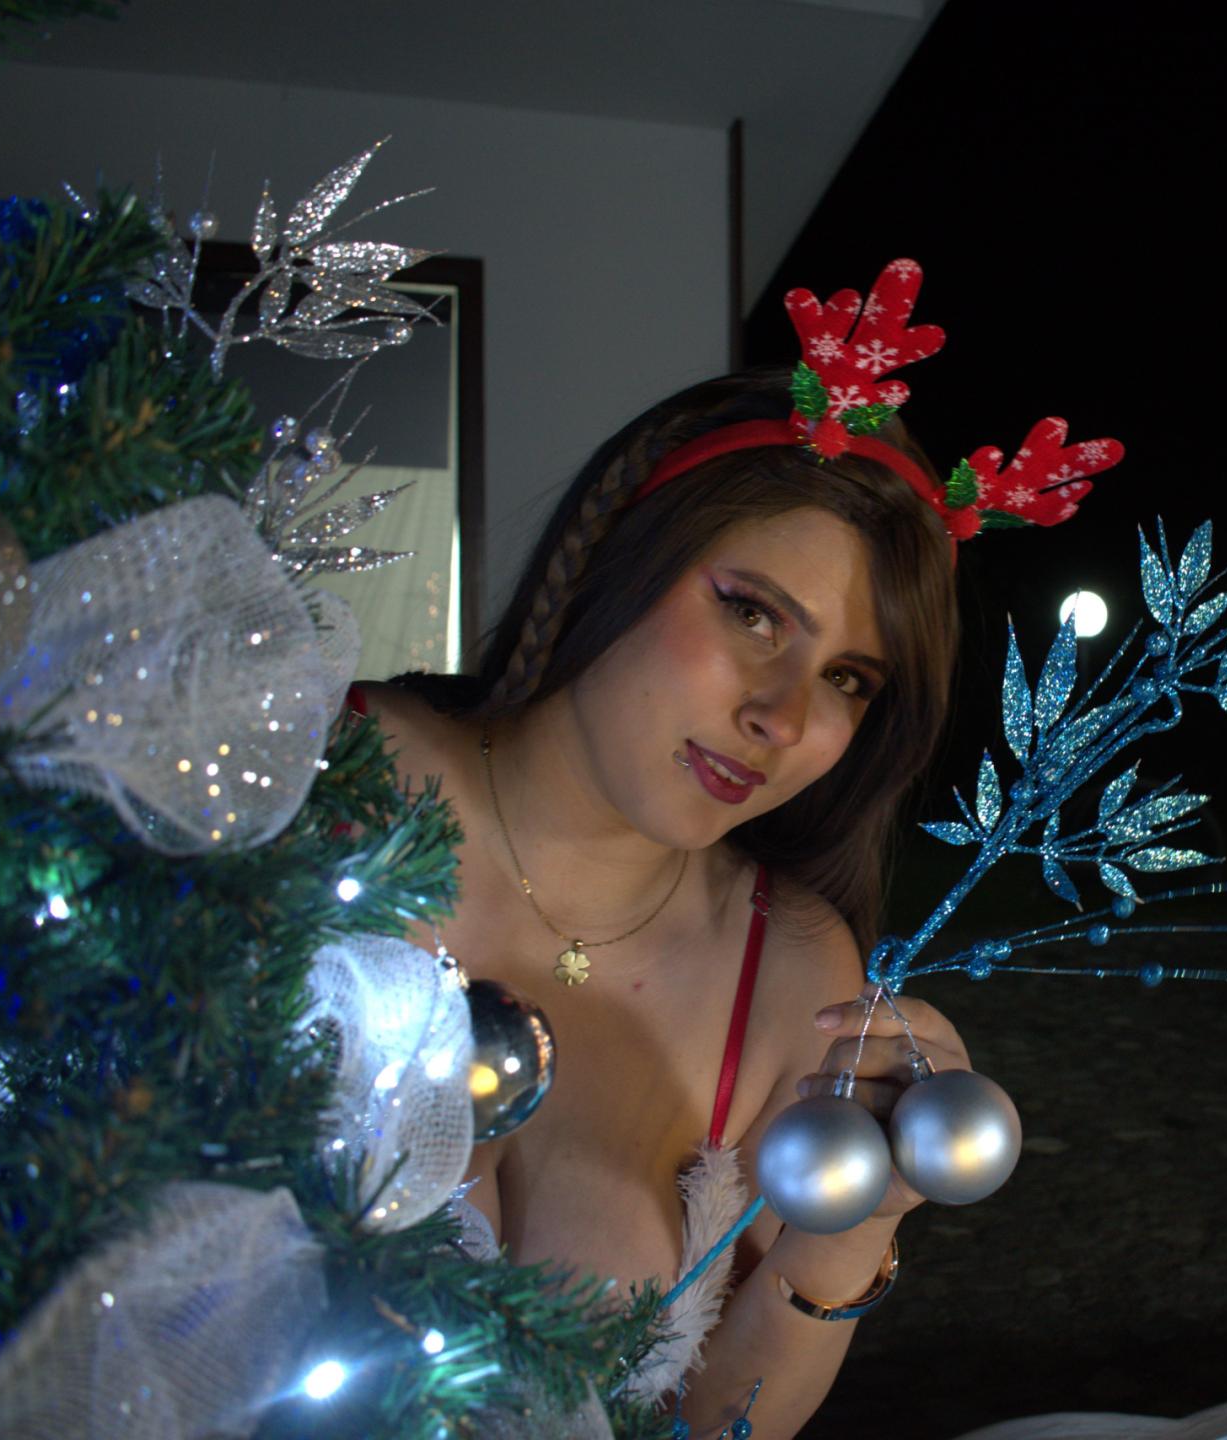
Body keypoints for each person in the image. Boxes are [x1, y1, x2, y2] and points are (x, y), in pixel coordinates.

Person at [354, 362, 974, 1438]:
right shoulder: (341, 773)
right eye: (752, 614)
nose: (783, 717)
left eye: (847, 679)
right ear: (616, 556)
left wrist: (852, 1226)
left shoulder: (793, 973)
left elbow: (717, 1424)